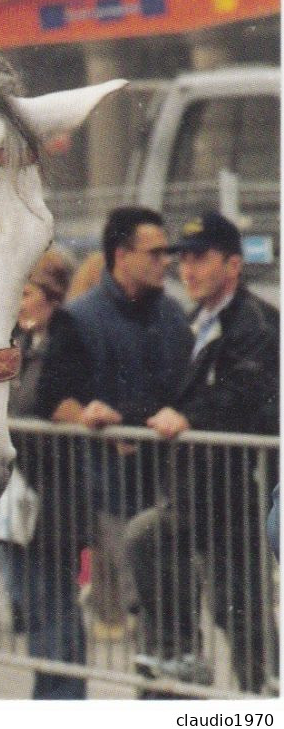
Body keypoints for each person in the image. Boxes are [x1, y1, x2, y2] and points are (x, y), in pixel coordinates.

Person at [125, 212, 279, 692]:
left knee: (243, 611)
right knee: (149, 537)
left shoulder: (257, 323)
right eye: (183, 259)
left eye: (200, 258)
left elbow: (247, 391)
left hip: (240, 493)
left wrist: (190, 418)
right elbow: (173, 393)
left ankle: (263, 698)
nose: (187, 270)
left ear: (232, 265)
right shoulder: (194, 320)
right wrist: (122, 416)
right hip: (197, 489)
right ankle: (182, 654)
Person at [42, 207, 194, 683]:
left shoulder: (173, 315)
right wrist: (84, 414)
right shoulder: (78, 319)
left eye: (167, 252)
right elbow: (51, 398)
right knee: (142, 605)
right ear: (121, 256)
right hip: (109, 490)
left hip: (172, 487)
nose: (165, 262)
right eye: (155, 253)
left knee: (176, 606)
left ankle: (169, 698)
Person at [0, 249, 75, 635]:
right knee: (25, 587)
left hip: (52, 485)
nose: (18, 303)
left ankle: (59, 689)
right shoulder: (25, 340)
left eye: (26, 293)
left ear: (51, 296)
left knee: (51, 599)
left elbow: (50, 401)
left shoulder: (66, 336)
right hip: (20, 480)